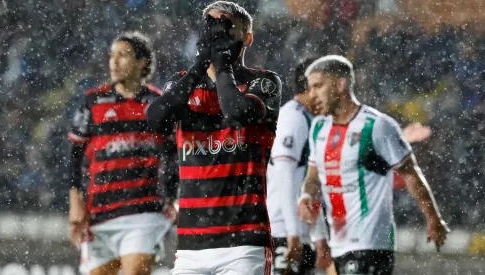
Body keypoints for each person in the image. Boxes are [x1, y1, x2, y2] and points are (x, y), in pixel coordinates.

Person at [147, 1, 282, 274]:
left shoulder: (264, 82)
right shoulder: (184, 82)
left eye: (225, 27)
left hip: (244, 243)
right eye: (210, 26)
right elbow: (155, 118)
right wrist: (201, 63)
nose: (216, 34)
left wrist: (221, 65)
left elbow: (236, 111)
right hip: (190, 246)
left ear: (247, 39)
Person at [297, 55, 449, 275]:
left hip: (370, 243)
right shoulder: (319, 128)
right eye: (310, 88)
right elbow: (312, 177)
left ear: (341, 85)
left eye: (318, 86)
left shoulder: (377, 125)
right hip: (338, 243)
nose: (312, 95)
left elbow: (410, 173)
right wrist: (306, 196)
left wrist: (433, 218)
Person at [67, 31, 178, 275]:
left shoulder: (158, 103)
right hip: (99, 212)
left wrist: (173, 197)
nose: (114, 62)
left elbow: (173, 155)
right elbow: (76, 155)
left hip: (143, 210)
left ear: (142, 62)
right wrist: (75, 203)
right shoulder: (93, 101)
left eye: (123, 55)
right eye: (112, 56)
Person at [266, 57, 332, 275]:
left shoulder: (310, 119)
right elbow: (286, 177)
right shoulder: (292, 118)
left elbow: (309, 188)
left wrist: (319, 236)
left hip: (300, 231)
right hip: (284, 230)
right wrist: (293, 233)